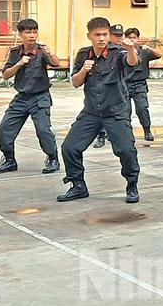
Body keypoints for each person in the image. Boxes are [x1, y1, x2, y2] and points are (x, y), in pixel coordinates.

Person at [57, 17, 141, 203]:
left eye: (104, 34)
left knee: (126, 151)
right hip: (91, 113)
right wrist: (83, 71)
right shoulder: (83, 54)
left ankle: (132, 185)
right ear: (89, 36)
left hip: (116, 112)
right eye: (97, 35)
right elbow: (75, 83)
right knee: (69, 147)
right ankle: (78, 185)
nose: (101, 38)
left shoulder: (118, 52)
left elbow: (132, 62)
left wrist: (130, 49)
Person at [0, 19, 60, 175]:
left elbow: (56, 63)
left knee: (43, 130)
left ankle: (52, 158)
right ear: (20, 34)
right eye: (28, 32)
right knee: (5, 128)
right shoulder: (15, 52)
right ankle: (9, 160)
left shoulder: (42, 51)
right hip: (22, 97)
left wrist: (51, 53)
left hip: (40, 97)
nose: (32, 35)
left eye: (34, 31)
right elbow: (5, 74)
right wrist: (18, 64)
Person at [123, 27, 163, 142]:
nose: (132, 40)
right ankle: (126, 133)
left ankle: (147, 130)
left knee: (142, 109)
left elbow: (159, 55)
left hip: (139, 84)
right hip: (124, 84)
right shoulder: (122, 51)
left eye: (134, 38)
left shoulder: (143, 50)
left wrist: (149, 48)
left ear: (138, 39)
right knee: (125, 110)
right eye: (129, 37)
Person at [92, 23, 126, 149]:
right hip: (104, 89)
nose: (118, 38)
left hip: (122, 88)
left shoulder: (123, 50)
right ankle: (101, 136)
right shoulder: (102, 51)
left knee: (122, 115)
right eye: (115, 36)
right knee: (100, 113)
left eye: (120, 35)